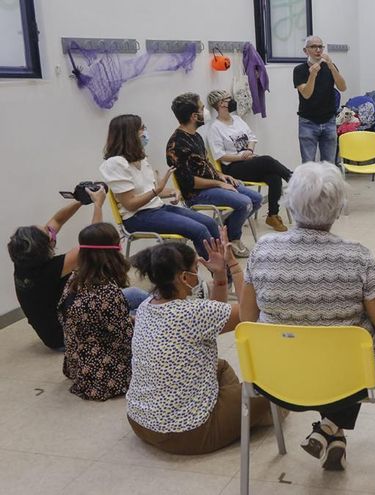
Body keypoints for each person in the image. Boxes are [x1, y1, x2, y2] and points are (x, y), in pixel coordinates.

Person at [240, 162, 375, 471]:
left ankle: (330, 429)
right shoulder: (357, 257)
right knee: (364, 346)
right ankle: (332, 425)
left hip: (275, 376)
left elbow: (247, 319)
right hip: (347, 378)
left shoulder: (262, 250)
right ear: (338, 208)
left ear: (289, 203)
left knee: (333, 344)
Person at [126, 230, 274, 455]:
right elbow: (248, 313)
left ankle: (230, 405)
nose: (198, 276)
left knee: (220, 365)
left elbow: (216, 315)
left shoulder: (146, 306)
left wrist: (219, 278)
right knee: (272, 392)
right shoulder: (193, 312)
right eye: (196, 270)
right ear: (184, 278)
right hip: (189, 433)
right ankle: (240, 411)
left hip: (140, 422)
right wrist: (232, 265)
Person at [99, 114, 221, 260]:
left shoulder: (141, 158)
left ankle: (225, 268)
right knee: (199, 230)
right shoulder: (115, 164)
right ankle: (221, 276)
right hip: (137, 217)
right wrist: (156, 190)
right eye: (141, 128)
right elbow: (130, 204)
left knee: (210, 223)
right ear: (129, 134)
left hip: (159, 209)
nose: (145, 132)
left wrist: (173, 191)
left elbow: (152, 190)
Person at [8, 187, 106, 349]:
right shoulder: (49, 271)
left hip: (54, 328)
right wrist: (98, 205)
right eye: (48, 232)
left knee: (132, 297)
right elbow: (94, 243)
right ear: (49, 244)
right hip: (65, 337)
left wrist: (81, 200)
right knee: (132, 312)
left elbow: (57, 221)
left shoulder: (23, 259)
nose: (49, 228)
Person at [166, 92, 262, 258]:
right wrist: (218, 184)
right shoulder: (177, 144)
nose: (206, 112)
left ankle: (227, 231)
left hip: (213, 183)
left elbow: (205, 164)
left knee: (256, 199)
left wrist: (220, 176)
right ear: (194, 116)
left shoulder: (196, 136)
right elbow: (189, 183)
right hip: (197, 193)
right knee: (244, 202)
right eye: (202, 108)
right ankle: (233, 238)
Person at [58, 223, 136, 401]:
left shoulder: (75, 279)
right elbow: (125, 339)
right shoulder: (108, 292)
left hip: (77, 364)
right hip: (102, 377)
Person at [206, 89, 293, 232]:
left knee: (274, 177)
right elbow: (220, 156)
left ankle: (272, 215)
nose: (232, 101)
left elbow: (252, 138)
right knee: (267, 160)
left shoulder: (238, 120)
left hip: (249, 161)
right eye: (229, 99)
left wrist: (250, 151)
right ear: (221, 104)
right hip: (232, 167)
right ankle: (292, 177)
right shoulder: (215, 128)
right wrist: (241, 156)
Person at [294, 35, 347, 163]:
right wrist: (312, 74)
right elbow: (306, 94)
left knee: (329, 164)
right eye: (313, 47)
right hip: (308, 122)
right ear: (305, 50)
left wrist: (331, 66)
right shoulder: (299, 70)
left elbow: (342, 87)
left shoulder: (330, 67)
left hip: (329, 120)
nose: (318, 50)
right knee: (308, 164)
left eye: (320, 46)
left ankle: (327, 184)